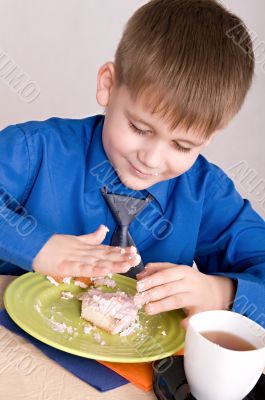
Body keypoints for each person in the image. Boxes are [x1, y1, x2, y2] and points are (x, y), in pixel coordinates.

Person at [0, 0, 264, 328]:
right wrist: (37, 245)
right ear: (108, 85)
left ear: (209, 137)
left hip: (141, 377)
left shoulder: (206, 193)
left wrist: (222, 292)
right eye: (139, 128)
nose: (151, 159)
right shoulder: (35, 150)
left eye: (182, 145)